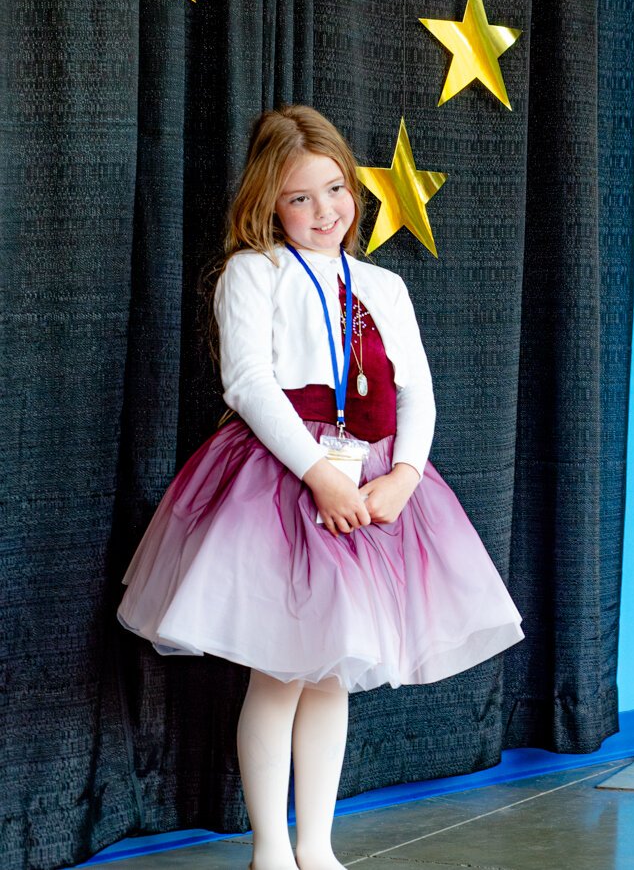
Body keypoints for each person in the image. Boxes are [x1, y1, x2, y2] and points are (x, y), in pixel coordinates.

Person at [117, 106, 524, 870]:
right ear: (270, 201)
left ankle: (318, 844)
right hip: (281, 485)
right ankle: (271, 847)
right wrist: (317, 476)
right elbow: (249, 383)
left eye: (334, 190)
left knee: (333, 669)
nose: (323, 211)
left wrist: (402, 475)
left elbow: (417, 394)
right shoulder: (253, 272)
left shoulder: (383, 285)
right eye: (300, 197)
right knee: (280, 671)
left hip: (373, 486)